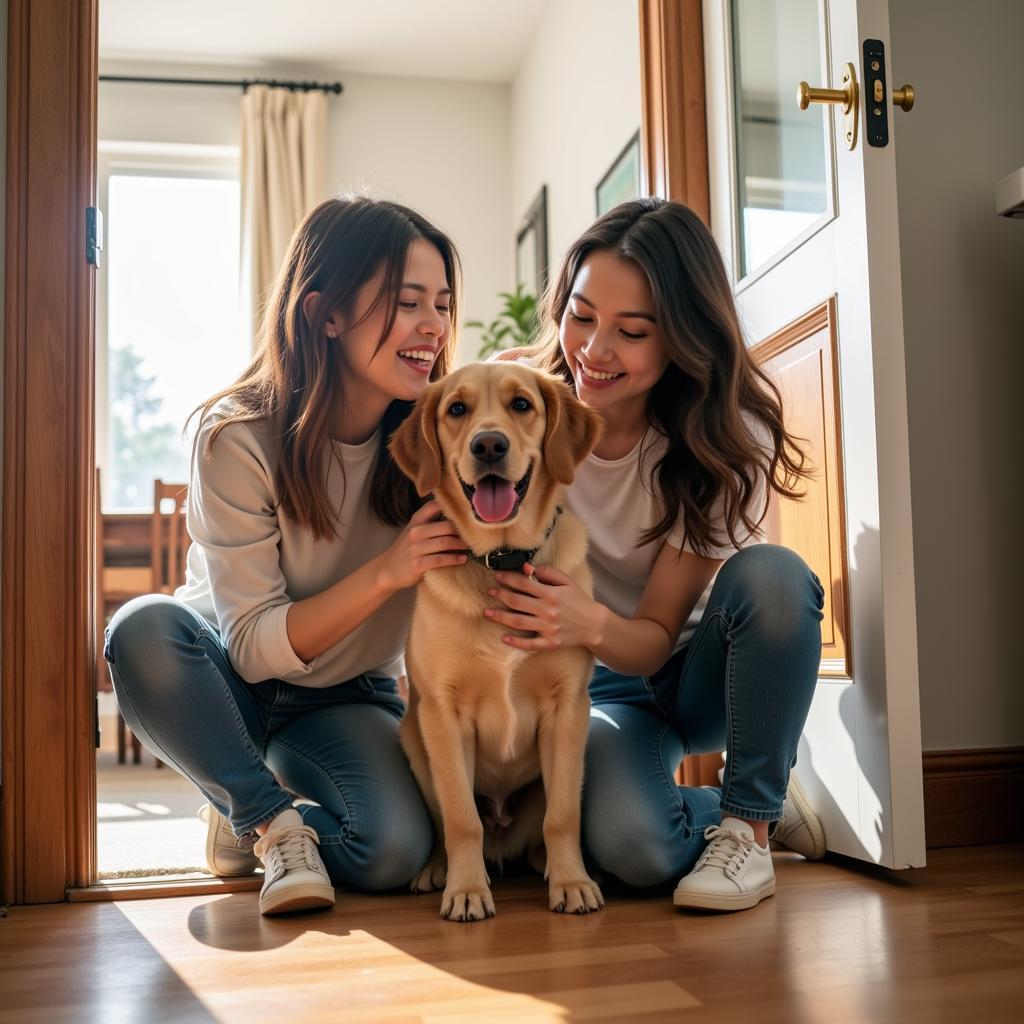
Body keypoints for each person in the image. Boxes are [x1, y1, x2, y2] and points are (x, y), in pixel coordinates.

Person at [104, 196, 465, 915]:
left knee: (391, 849)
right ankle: (267, 819)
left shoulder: (441, 434)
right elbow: (254, 648)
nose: (435, 327)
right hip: (227, 680)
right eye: (407, 302)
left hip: (347, 693)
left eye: (444, 305)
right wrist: (389, 572)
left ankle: (245, 808)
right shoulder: (236, 436)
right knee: (140, 629)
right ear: (324, 313)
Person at [490, 197, 826, 911]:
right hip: (594, 684)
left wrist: (585, 621)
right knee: (637, 852)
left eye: (631, 332)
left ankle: (750, 825)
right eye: (581, 316)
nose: (593, 351)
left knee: (774, 578)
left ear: (680, 338)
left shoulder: (723, 440)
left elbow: (649, 641)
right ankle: (743, 809)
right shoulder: (517, 399)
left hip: (690, 671)